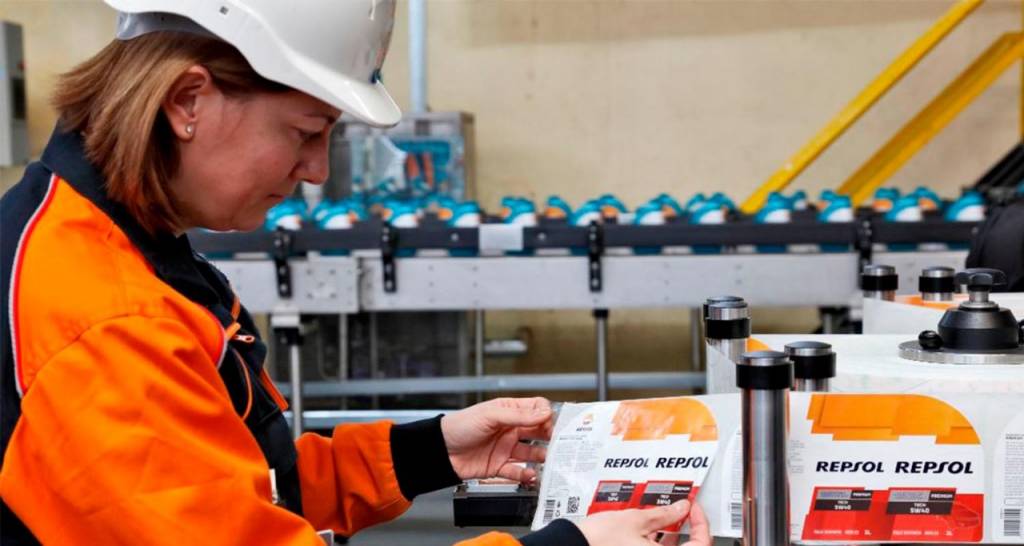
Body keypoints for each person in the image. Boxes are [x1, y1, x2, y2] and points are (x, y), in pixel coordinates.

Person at [0, 2, 712, 545]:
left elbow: (234, 485)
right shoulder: (101, 318)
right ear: (188, 101)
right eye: (306, 133)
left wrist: (432, 450)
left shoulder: (123, 245)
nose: (314, 171)